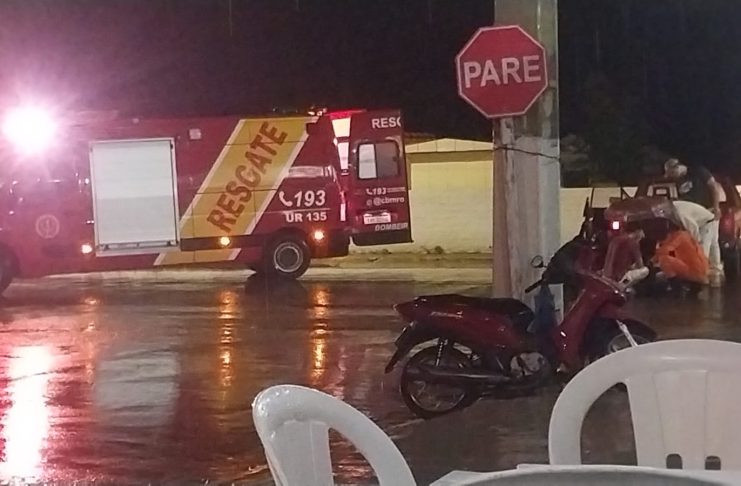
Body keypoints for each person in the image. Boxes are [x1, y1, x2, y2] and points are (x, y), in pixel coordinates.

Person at [664, 158, 723, 287]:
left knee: (704, 246)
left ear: (677, 167)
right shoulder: (678, 182)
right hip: (696, 215)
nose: (671, 177)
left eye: (671, 173)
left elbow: (714, 187)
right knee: (713, 243)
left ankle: (704, 274)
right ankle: (715, 273)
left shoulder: (698, 171)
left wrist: (716, 207)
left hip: (708, 212)